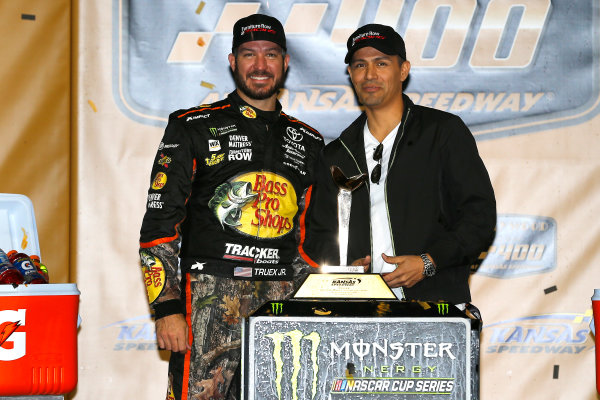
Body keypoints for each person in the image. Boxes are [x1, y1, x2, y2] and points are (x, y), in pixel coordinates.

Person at [139, 14, 323, 399]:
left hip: (282, 298)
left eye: (271, 54)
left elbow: (310, 236)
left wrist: (316, 299)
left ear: (285, 63)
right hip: (209, 293)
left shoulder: (308, 141)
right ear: (232, 61)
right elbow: (160, 224)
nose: (260, 65)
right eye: (249, 54)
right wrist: (167, 308)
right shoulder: (193, 126)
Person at [299, 24, 496, 304]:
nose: (370, 74)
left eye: (381, 63)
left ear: (403, 70)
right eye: (360, 65)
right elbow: (318, 234)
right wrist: (345, 268)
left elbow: (479, 216)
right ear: (351, 75)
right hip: (360, 310)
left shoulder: (442, 132)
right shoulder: (335, 154)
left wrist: (428, 262)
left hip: (437, 305)